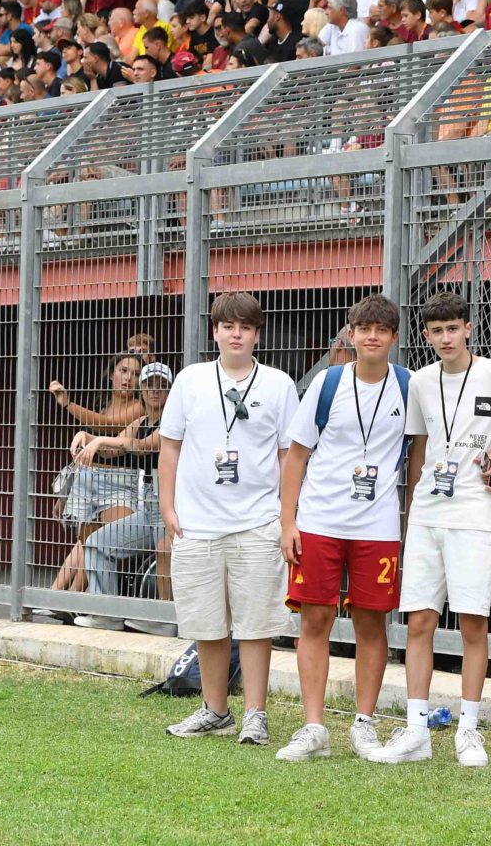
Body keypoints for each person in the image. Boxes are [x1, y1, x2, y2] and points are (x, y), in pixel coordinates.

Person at [369, 292, 491, 768]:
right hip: (427, 514)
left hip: (474, 516)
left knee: (472, 623)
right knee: (419, 621)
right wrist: (411, 511)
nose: (446, 338)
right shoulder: (421, 381)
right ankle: (416, 730)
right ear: (426, 335)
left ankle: (468, 730)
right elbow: (421, 447)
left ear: (468, 329)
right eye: (437, 331)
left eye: (453, 329)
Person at [276, 295, 411, 762]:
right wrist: (288, 520)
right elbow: (297, 455)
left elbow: (424, 452)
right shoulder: (327, 383)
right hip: (319, 520)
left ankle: (364, 724)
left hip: (378, 526)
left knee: (372, 624)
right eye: (364, 328)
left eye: (381, 329)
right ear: (350, 335)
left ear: (394, 337)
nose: (372, 336)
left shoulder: (408, 386)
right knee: (314, 620)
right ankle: (314, 727)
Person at [160, 293, 298, 745]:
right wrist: (168, 506)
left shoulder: (278, 384)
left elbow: (288, 454)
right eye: (228, 326)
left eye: (245, 327)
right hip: (197, 523)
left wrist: (287, 517)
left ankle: (255, 715)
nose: (236, 334)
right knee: (207, 624)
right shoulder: (190, 380)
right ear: (215, 331)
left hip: (257, 521)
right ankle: (215, 710)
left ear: (257, 334)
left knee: (257, 625)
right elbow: (170, 446)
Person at [36, 353, 147, 627]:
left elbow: (107, 427)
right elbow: (86, 450)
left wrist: (69, 405)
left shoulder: (139, 407)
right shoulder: (101, 402)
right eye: (123, 371)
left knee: (99, 541)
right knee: (85, 542)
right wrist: (65, 494)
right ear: (111, 373)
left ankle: (71, 601)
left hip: (119, 482)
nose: (128, 378)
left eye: (135, 374)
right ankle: (58, 598)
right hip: (87, 478)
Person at [74, 361, 174, 627]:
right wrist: (87, 437)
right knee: (97, 543)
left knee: (165, 550)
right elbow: (113, 450)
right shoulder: (141, 421)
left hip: (172, 506)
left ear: (170, 391)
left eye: (162, 386)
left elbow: (142, 446)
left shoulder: (172, 421)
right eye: (149, 385)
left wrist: (100, 440)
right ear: (141, 390)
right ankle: (106, 614)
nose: (155, 391)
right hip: (149, 507)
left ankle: (166, 620)